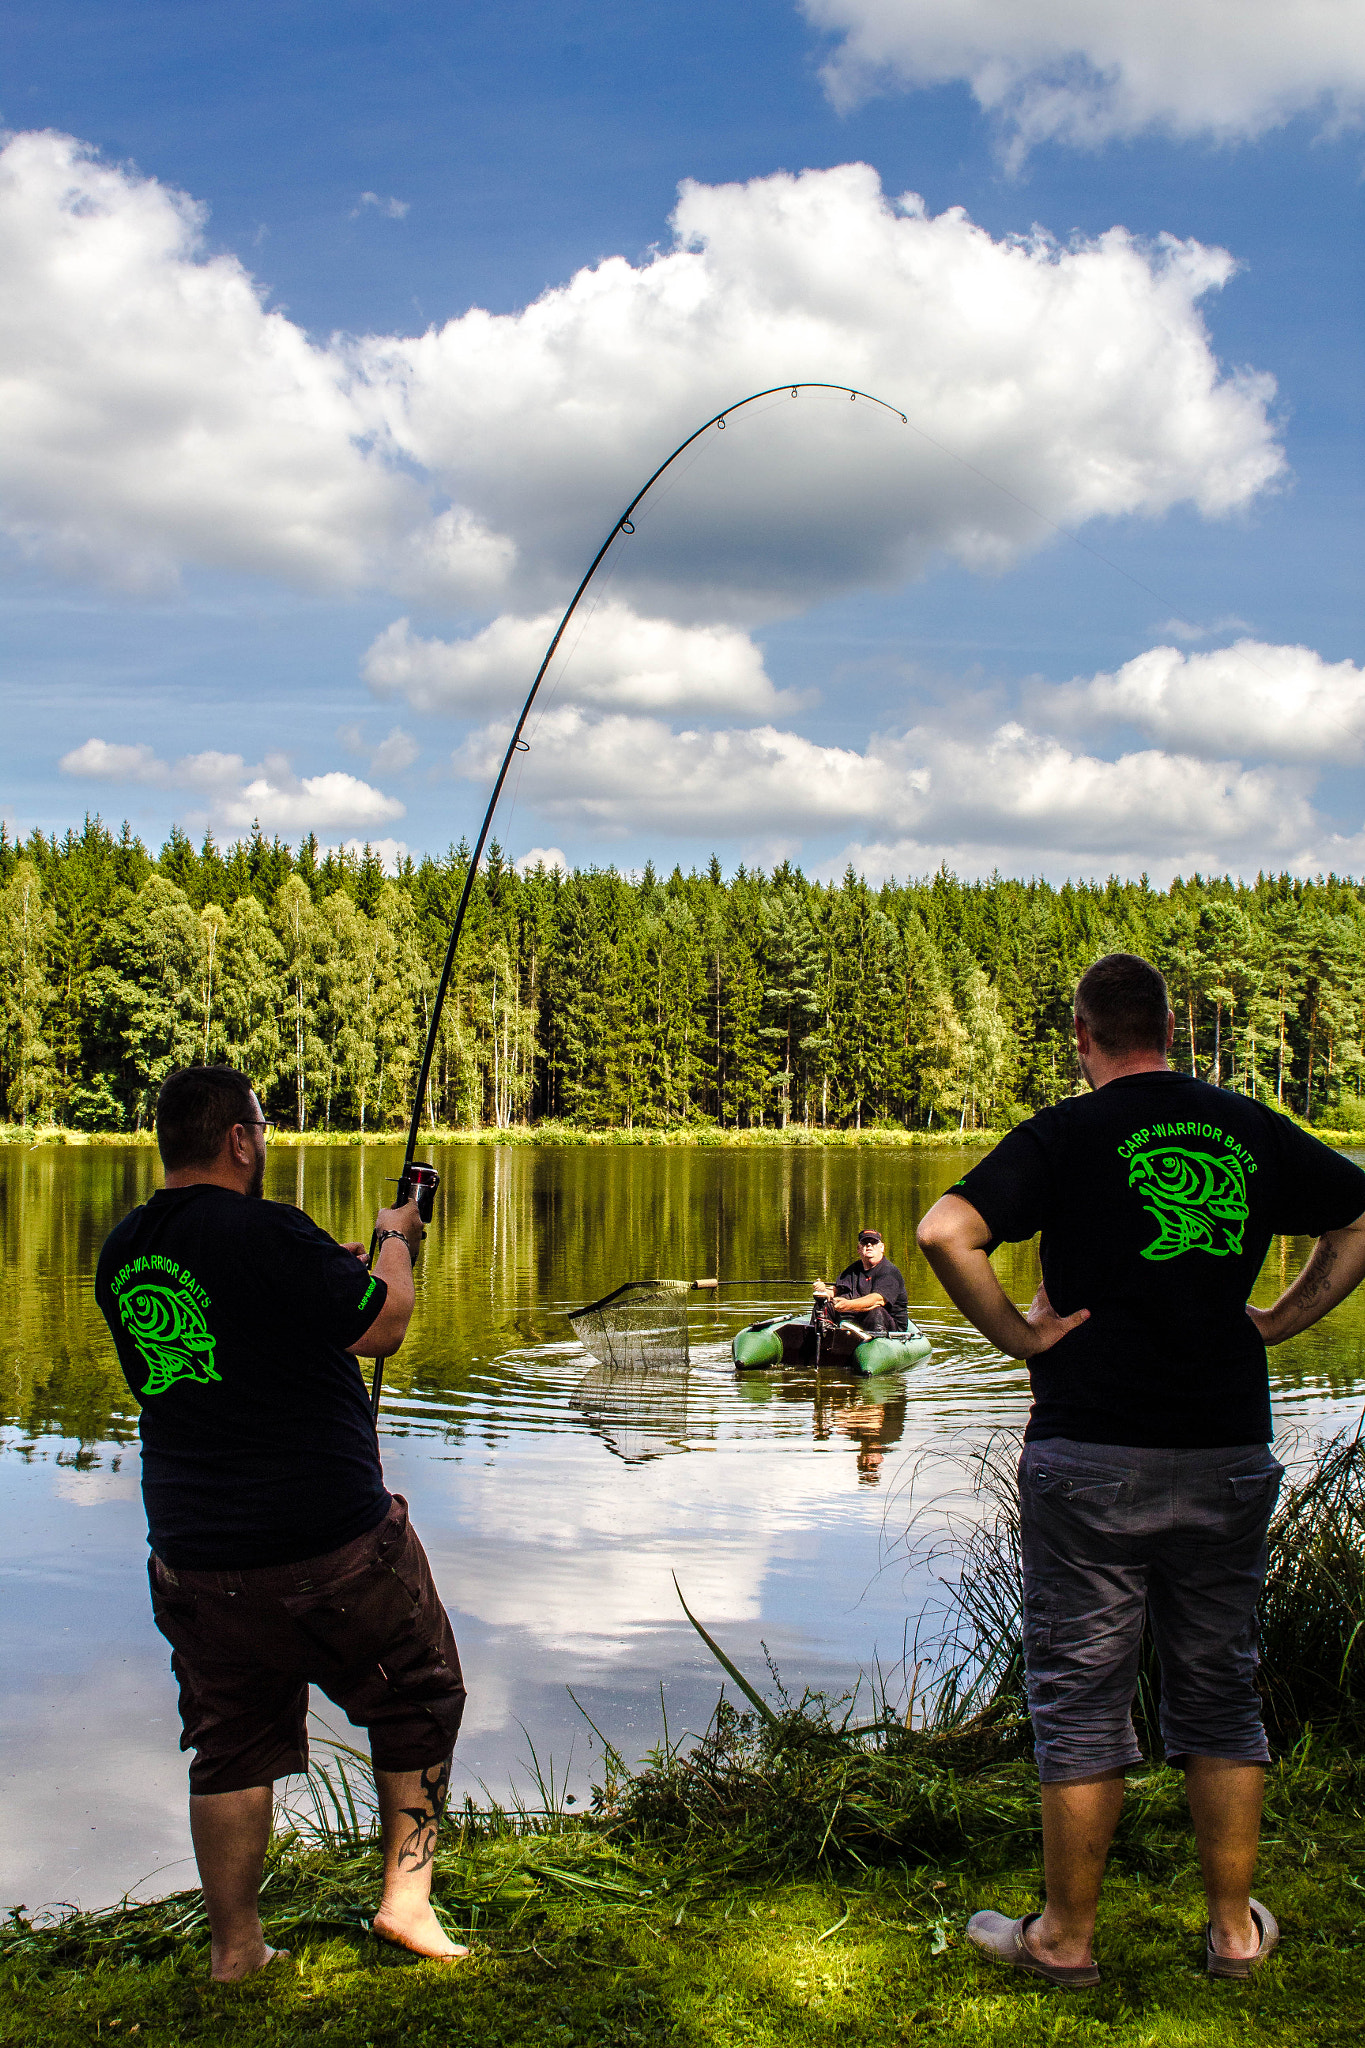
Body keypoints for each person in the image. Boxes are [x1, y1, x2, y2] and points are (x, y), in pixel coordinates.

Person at [915, 952, 1365, 1990]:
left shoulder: (1066, 1134)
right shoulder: (1245, 1123)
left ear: (1083, 1035)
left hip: (1091, 1450)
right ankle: (1235, 1933)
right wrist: (1280, 1319)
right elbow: (1355, 1212)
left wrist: (1021, 1340)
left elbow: (948, 1230)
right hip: (1225, 1442)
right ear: (1169, 1026)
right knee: (1221, 1688)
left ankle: (1065, 1939)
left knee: (1081, 1694)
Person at [94, 1065, 468, 1982]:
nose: (264, 1143)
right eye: (261, 1129)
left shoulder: (125, 1250)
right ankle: (405, 1905)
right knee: (418, 1694)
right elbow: (382, 1325)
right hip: (328, 1541)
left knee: (229, 1741)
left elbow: (224, 1328)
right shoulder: (265, 1228)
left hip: (195, 1553)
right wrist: (392, 1240)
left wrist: (325, 1268)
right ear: (237, 1138)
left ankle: (236, 1951)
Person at [814, 1227, 909, 1334]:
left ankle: (876, 1343)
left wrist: (848, 1305)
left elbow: (877, 1300)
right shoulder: (853, 1269)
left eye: (873, 1243)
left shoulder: (889, 1272)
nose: (869, 1245)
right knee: (824, 1306)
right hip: (857, 1317)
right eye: (865, 1243)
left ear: (882, 1247)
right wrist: (823, 1291)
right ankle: (817, 1339)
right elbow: (837, 1290)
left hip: (890, 1326)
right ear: (859, 1249)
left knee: (875, 1311)